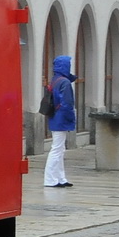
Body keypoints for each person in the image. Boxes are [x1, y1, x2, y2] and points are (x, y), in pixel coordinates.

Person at [44, 54, 76, 188]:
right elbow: (67, 103)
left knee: (59, 148)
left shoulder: (55, 80)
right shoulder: (65, 82)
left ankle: (60, 178)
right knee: (57, 149)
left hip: (55, 117)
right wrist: (71, 118)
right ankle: (50, 179)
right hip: (61, 118)